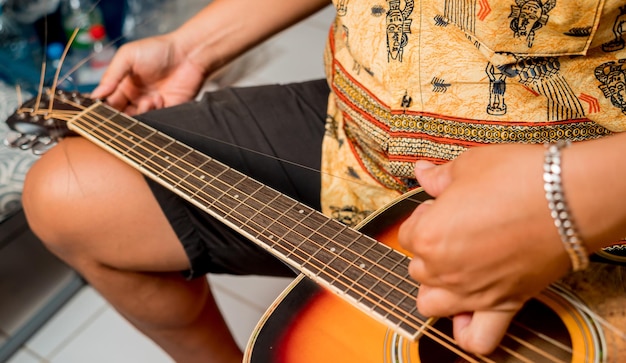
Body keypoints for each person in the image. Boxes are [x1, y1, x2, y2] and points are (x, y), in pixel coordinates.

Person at [20, 0, 626, 361]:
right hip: (356, 139)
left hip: (592, 194)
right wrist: (192, 47)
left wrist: (566, 199)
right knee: (70, 192)